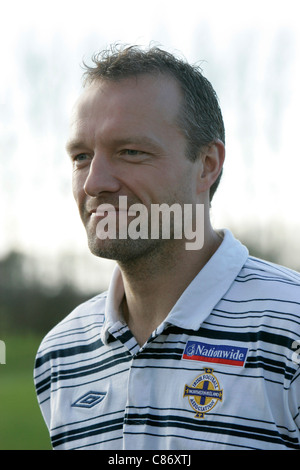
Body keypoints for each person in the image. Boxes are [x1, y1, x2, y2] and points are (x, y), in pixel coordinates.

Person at [34, 44, 300, 450]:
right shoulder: (61, 354)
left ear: (207, 164)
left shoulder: (290, 330)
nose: (94, 183)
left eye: (130, 152)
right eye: (82, 156)